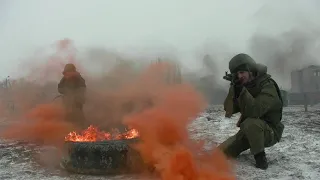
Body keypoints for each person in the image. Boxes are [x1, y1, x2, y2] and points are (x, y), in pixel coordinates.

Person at [219, 53, 284, 170]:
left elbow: (255, 111)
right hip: (249, 131)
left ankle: (260, 159)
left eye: (242, 72)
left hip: (270, 132)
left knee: (251, 122)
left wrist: (242, 90)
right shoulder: (244, 85)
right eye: (237, 74)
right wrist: (234, 88)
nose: (240, 76)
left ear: (250, 70)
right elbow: (229, 110)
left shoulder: (267, 86)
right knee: (219, 153)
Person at [58, 63, 87, 128]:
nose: (67, 74)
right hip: (67, 103)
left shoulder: (79, 79)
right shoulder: (64, 79)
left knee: (78, 118)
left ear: (73, 71)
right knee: (67, 118)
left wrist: (76, 96)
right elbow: (59, 88)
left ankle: (82, 132)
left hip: (77, 103)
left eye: (69, 72)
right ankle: (68, 133)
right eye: (66, 72)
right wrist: (66, 91)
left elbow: (82, 89)